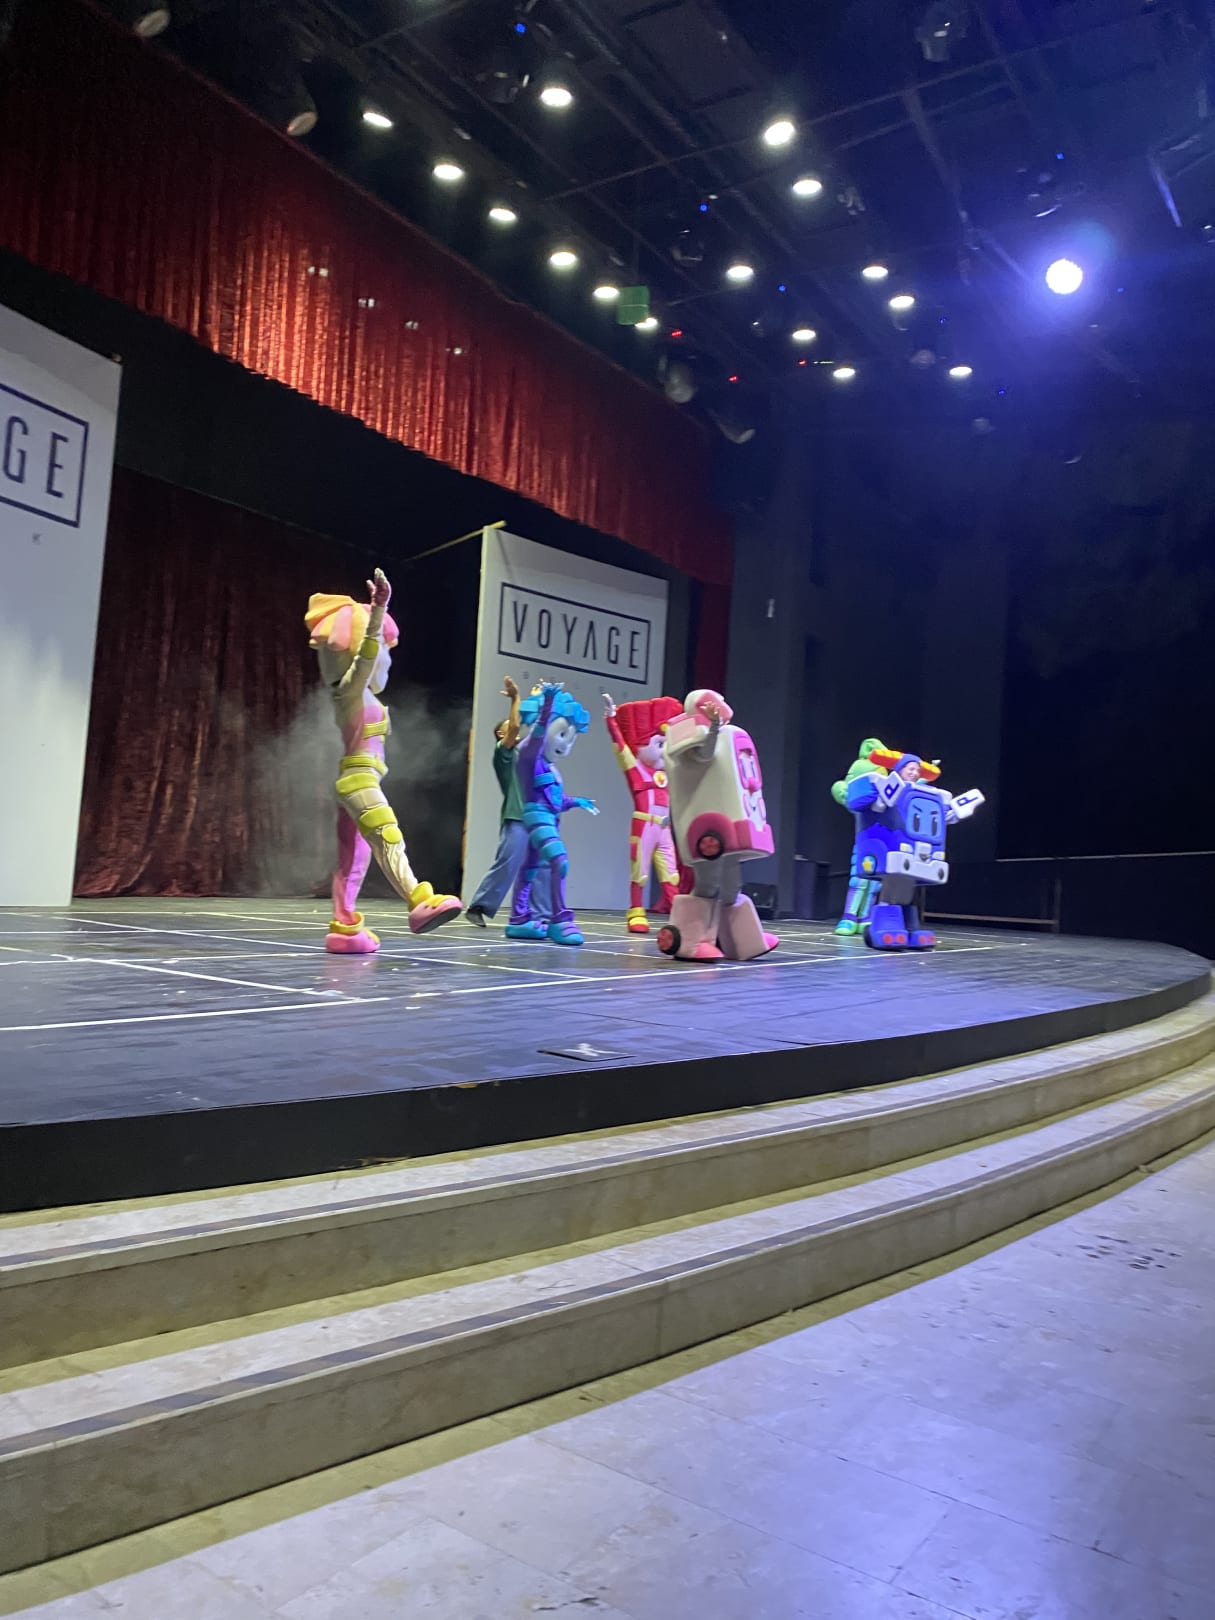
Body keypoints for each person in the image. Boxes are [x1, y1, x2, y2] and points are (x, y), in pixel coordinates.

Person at [305, 567, 462, 953]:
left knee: (353, 859)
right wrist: (378, 611)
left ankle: (344, 928)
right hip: (359, 779)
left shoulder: (361, 696)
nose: (386, 660)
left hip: (359, 780)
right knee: (387, 837)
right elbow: (366, 658)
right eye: (385, 653)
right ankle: (419, 899)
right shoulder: (349, 691)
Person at [506, 682, 598, 946]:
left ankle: (519, 920)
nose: (565, 745)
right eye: (561, 735)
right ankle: (560, 919)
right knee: (560, 862)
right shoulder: (528, 755)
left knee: (530, 868)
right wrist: (547, 704)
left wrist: (576, 802)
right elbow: (537, 736)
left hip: (549, 818)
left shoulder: (550, 768)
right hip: (537, 817)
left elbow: (555, 800)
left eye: (571, 739)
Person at [465, 675, 551, 928]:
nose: (516, 729)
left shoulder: (525, 756)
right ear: (501, 734)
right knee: (508, 862)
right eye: (509, 728)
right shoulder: (503, 754)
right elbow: (515, 727)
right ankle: (479, 906)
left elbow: (536, 731)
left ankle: (540, 915)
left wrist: (538, 701)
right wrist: (516, 698)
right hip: (517, 816)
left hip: (538, 817)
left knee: (543, 866)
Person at [603, 692, 683, 934]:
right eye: (659, 744)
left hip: (665, 828)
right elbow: (620, 748)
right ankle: (636, 911)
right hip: (645, 826)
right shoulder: (636, 768)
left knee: (671, 873)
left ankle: (679, 913)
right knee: (640, 871)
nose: (664, 751)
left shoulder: (668, 772)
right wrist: (611, 719)